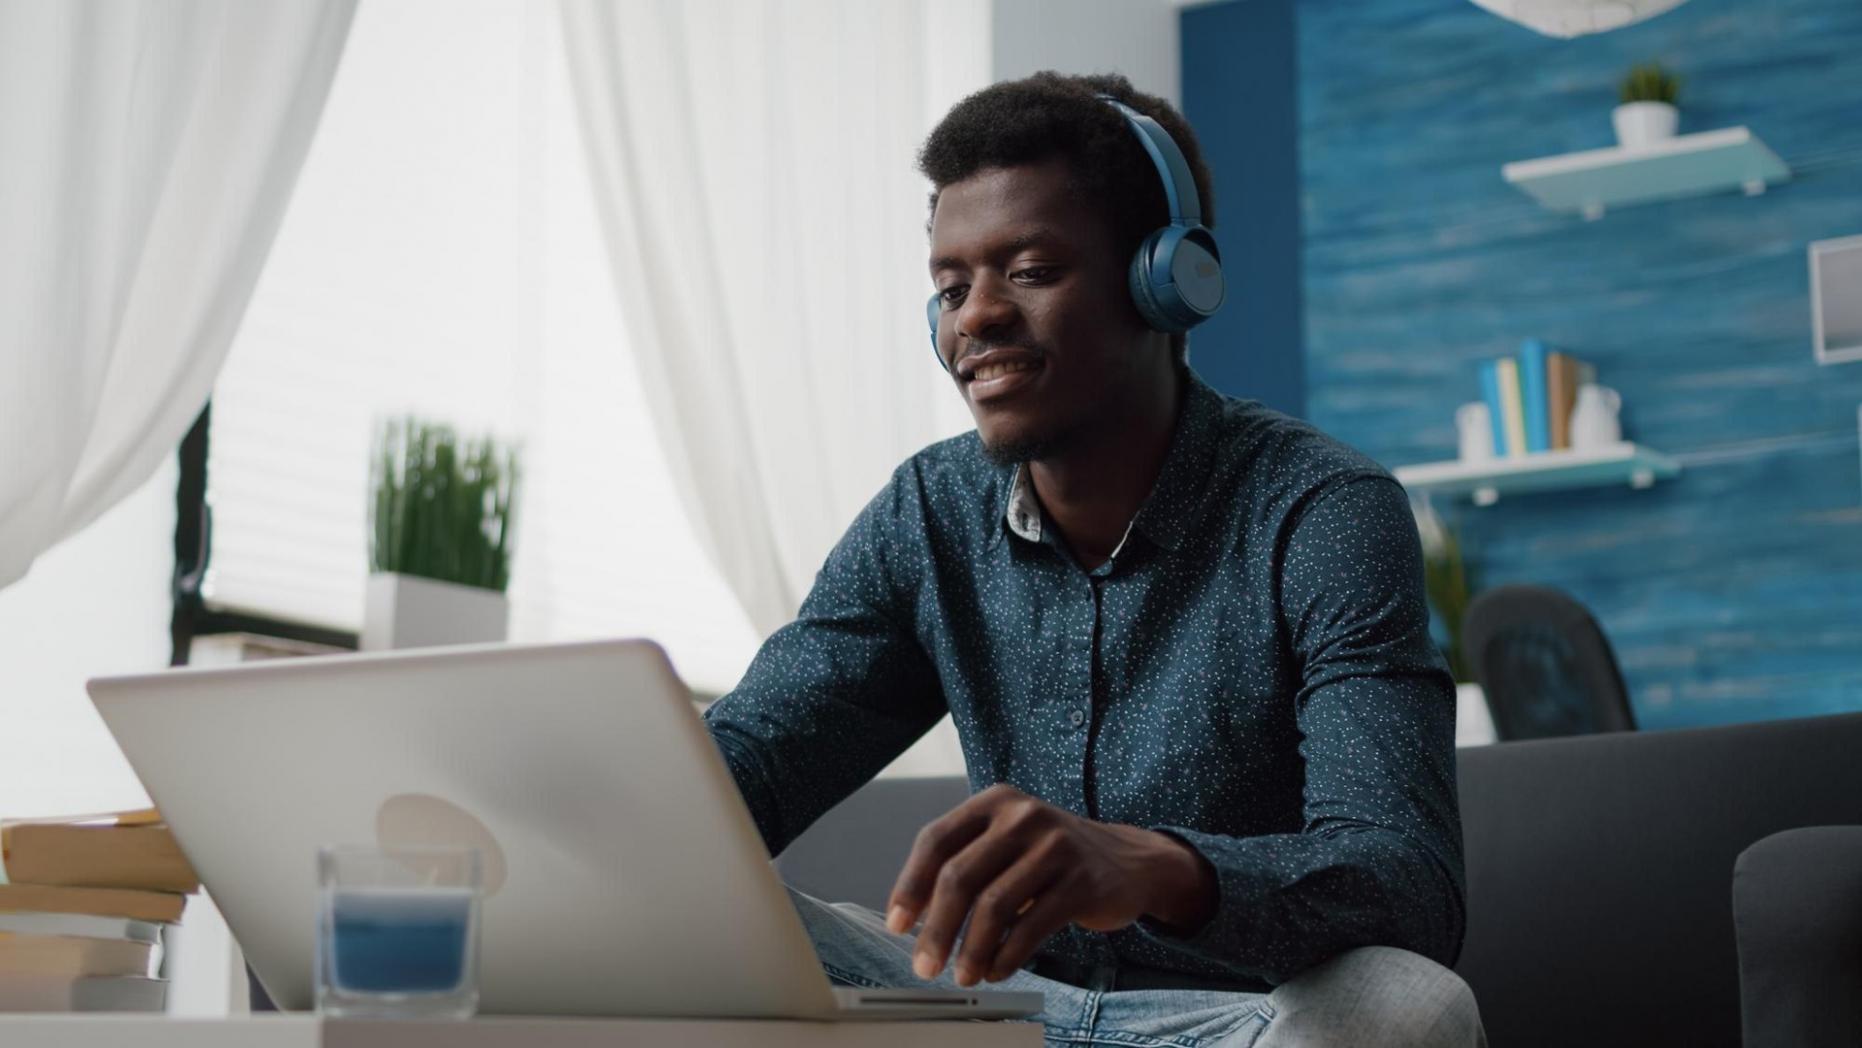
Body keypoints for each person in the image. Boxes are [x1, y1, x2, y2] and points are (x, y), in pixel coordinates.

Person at [702, 71, 1485, 1047]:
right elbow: (746, 769)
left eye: (1027, 269)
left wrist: (1155, 866)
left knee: (1406, 1009)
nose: (972, 318)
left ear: (1166, 279)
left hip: (1242, 1017)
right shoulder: (927, 514)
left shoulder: (1318, 511)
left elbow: (1404, 883)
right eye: (949, 287)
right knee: (705, 928)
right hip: (1001, 1009)